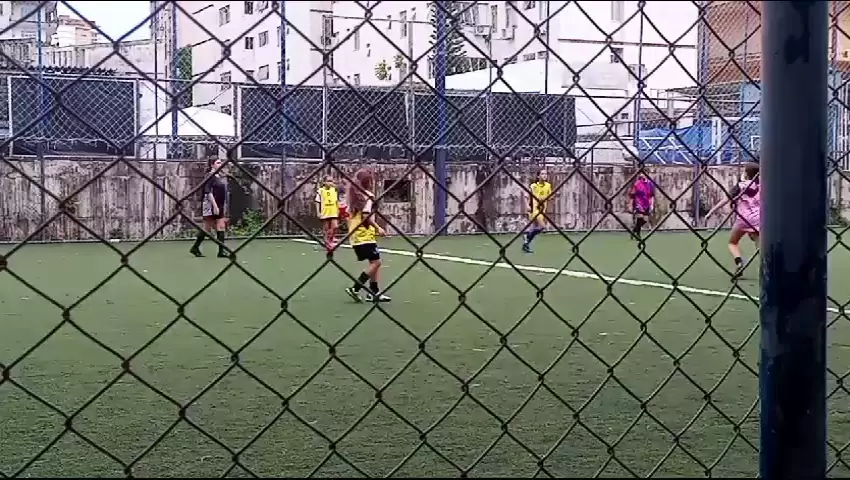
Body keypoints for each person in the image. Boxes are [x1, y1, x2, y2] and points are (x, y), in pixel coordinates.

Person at [704, 162, 760, 279]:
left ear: (746, 173)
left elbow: (725, 200)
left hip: (743, 219)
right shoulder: (762, 185)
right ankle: (766, 266)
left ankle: (739, 261)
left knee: (732, 243)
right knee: (759, 246)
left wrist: (710, 212)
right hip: (758, 219)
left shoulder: (740, 186)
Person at [344, 168, 391, 303]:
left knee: (374, 262)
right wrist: (378, 228)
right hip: (364, 234)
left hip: (356, 235)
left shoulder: (353, 197)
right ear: (369, 182)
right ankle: (355, 288)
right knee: (377, 262)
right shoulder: (368, 196)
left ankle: (373, 293)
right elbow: (366, 216)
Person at [190, 158, 229, 258]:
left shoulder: (218, 176)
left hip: (219, 204)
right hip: (210, 205)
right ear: (212, 165)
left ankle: (221, 252)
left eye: (220, 163)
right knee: (207, 228)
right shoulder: (209, 176)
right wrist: (215, 206)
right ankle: (195, 247)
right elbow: (208, 192)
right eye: (218, 163)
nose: (220, 164)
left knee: (221, 226)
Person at [522, 169, 552, 253]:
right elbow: (526, 196)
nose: (544, 175)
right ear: (538, 176)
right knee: (542, 226)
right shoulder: (533, 186)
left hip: (542, 210)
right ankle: (526, 235)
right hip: (535, 210)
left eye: (545, 174)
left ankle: (526, 244)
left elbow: (549, 196)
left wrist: (549, 197)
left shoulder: (548, 186)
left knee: (535, 229)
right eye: (542, 174)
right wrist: (527, 205)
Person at [315, 177, 340, 251]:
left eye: (331, 181)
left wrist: (338, 209)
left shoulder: (334, 190)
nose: (330, 183)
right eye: (328, 181)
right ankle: (327, 243)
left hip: (333, 211)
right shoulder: (321, 191)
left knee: (335, 226)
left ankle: (330, 239)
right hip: (325, 211)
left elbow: (336, 201)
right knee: (325, 228)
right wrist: (318, 212)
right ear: (324, 182)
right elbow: (317, 202)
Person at [629, 172, 655, 239]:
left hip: (646, 203)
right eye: (641, 173)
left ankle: (634, 230)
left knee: (645, 220)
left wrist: (652, 204)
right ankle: (638, 234)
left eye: (644, 173)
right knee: (640, 217)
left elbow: (652, 195)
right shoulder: (637, 184)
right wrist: (630, 205)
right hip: (638, 203)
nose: (642, 175)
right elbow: (632, 195)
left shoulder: (650, 184)